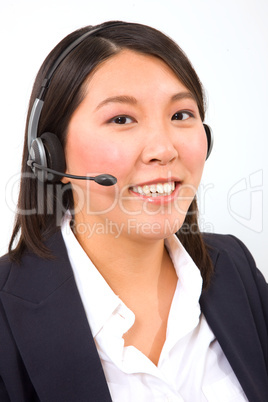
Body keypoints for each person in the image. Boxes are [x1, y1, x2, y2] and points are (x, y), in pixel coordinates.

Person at [0, 21, 267, 402]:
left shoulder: (235, 267)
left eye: (180, 115)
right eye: (121, 119)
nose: (164, 149)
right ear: (50, 155)